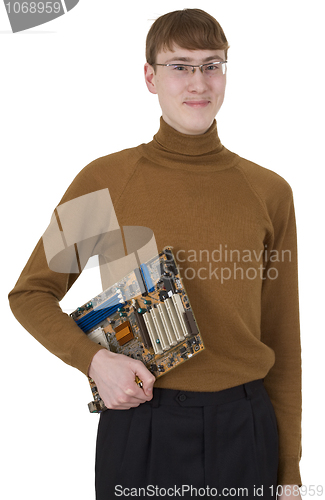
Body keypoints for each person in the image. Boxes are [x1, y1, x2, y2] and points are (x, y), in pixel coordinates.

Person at [8, 8, 302, 500]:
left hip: (245, 429)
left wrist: (290, 471)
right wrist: (94, 361)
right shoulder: (104, 181)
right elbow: (31, 293)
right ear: (150, 76)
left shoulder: (269, 192)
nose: (199, 82)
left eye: (212, 64)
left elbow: (283, 340)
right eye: (180, 65)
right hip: (141, 425)